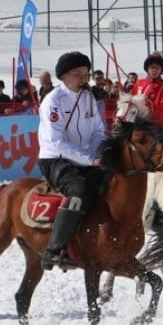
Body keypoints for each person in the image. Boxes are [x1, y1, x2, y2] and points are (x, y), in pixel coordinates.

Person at [36, 51, 109, 270]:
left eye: (85, 73)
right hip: (55, 159)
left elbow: (97, 130)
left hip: (85, 158)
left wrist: (101, 152)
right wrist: (89, 160)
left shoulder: (88, 98)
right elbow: (56, 142)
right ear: (64, 77)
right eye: (77, 74)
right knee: (79, 189)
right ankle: (55, 248)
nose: (83, 78)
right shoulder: (53, 101)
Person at [134, 54, 163, 127]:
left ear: (161, 70)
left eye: (157, 68)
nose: (154, 70)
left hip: (154, 125)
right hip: (137, 123)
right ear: (147, 69)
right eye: (152, 67)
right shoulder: (139, 83)